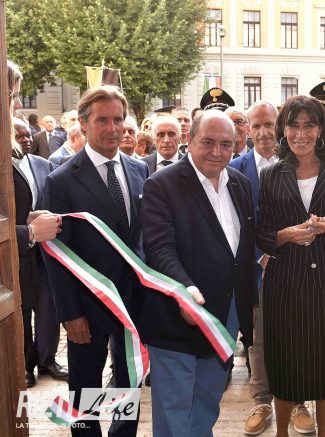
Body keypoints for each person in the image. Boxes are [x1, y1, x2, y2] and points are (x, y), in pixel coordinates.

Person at [140, 109, 255, 437]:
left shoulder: (241, 184)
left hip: (226, 315)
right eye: (208, 142)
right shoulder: (161, 184)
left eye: (226, 144)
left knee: (207, 398)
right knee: (174, 405)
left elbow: (243, 248)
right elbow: (160, 249)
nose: (217, 152)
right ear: (189, 141)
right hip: (177, 313)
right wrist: (185, 289)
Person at [43, 86, 149, 437]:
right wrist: (70, 314)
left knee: (128, 381)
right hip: (87, 308)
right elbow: (56, 254)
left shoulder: (139, 170)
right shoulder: (61, 180)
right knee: (85, 388)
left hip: (133, 303)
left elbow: (142, 239)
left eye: (119, 119)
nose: (113, 128)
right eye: (103, 120)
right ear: (84, 124)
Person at [257, 95, 325, 437]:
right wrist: (285, 236)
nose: (300, 133)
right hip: (285, 284)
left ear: (321, 129)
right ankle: (282, 433)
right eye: (293, 125)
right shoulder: (270, 174)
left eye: (309, 125)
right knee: (285, 363)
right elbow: (261, 233)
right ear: (283, 129)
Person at [229, 101, 316, 435]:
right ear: (247, 130)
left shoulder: (301, 163)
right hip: (255, 269)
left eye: (269, 124)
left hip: (297, 267)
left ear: (279, 126)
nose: (264, 132)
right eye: (257, 126)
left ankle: (298, 401)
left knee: (298, 335)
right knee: (259, 339)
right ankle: (262, 400)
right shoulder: (234, 169)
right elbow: (235, 223)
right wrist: (260, 256)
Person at [8, 60, 66, 389]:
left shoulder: (37, 164)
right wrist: (28, 232)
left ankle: (42, 360)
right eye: (13, 95)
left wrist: (27, 220)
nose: (19, 104)